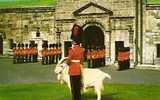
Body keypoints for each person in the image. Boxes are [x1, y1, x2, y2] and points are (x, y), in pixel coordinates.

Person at [67, 24, 84, 100]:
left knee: (73, 87)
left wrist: (67, 63)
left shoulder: (71, 50)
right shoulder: (81, 49)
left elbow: (68, 61)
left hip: (72, 70)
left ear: (74, 42)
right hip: (78, 69)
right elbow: (82, 60)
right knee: (78, 86)